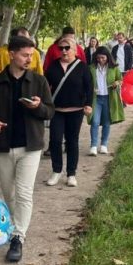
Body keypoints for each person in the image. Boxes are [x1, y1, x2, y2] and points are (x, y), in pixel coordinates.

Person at [0, 36, 54, 262]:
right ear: (11, 54)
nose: (29, 59)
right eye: (25, 55)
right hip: (4, 146)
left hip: (30, 146)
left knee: (24, 192)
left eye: (31, 55)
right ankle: (16, 225)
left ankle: (18, 236)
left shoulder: (39, 81)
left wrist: (38, 107)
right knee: (9, 193)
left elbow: (50, 112)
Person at [44, 36, 92, 187]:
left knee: (72, 141)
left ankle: (71, 174)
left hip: (76, 110)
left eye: (67, 48)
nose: (64, 51)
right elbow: (45, 86)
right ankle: (56, 171)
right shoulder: (53, 66)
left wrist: (88, 104)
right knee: (55, 140)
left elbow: (89, 87)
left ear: (75, 50)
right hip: (57, 110)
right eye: (61, 48)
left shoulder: (82, 66)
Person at [87, 46, 124, 156]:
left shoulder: (114, 68)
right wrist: (90, 88)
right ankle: (93, 146)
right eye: (98, 58)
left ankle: (104, 145)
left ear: (107, 57)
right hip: (96, 99)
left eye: (103, 58)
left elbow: (120, 80)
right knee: (95, 121)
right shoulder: (91, 68)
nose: (100, 60)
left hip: (109, 98)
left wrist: (117, 83)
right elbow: (87, 82)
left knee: (107, 122)